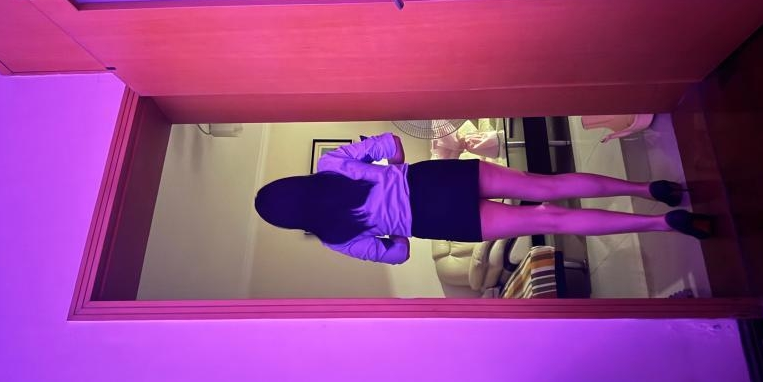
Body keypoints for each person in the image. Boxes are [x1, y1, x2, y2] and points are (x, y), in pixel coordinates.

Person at [254, 132, 713, 265]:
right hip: (434, 179)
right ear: (292, 184)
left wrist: (392, 227)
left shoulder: (336, 237)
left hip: (436, 221)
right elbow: (392, 144)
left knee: (551, 220)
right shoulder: (331, 165)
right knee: (549, 187)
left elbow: (399, 253)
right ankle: (647, 190)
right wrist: (392, 172)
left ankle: (662, 225)